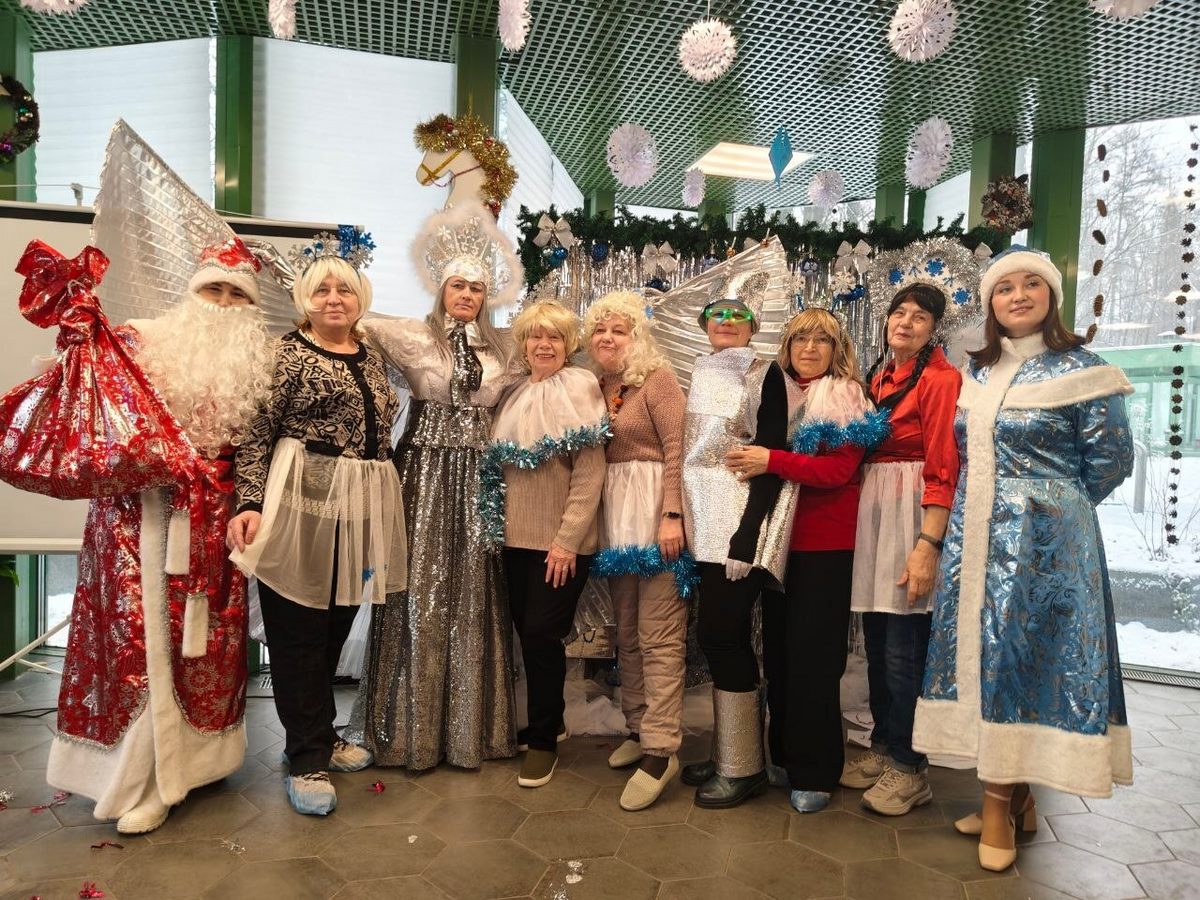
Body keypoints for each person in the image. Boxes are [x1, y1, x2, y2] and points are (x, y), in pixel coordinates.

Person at [39, 239, 274, 834]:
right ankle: (135, 775)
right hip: (132, 518)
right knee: (136, 642)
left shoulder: (261, 360)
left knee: (202, 642)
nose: (224, 303)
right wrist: (76, 330)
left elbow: (259, 444)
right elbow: (84, 394)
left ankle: (193, 764)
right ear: (192, 292)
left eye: (238, 294)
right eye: (213, 288)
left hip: (213, 518)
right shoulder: (140, 338)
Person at [913, 247, 1135, 871]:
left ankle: (996, 809)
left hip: (1049, 545)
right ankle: (1017, 799)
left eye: (1031, 283)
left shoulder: (1084, 370)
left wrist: (1051, 510)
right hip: (975, 539)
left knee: (1028, 661)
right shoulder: (977, 373)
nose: (1018, 295)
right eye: (1004, 287)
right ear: (991, 304)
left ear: (1051, 296)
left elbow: (1111, 461)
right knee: (987, 659)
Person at [227, 253, 405, 817]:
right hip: (299, 503)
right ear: (305, 298)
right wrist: (250, 503)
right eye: (323, 290)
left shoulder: (371, 353)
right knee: (297, 630)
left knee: (338, 621)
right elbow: (256, 433)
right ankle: (306, 758)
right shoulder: (286, 353)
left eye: (344, 290)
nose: (334, 299)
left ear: (360, 298)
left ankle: (320, 734)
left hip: (358, 505)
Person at [348, 202, 523, 771]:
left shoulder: (505, 349)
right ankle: (406, 732)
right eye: (458, 285)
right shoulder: (410, 336)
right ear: (442, 289)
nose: (467, 294)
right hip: (421, 473)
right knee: (418, 588)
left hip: (481, 478)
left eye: (477, 287)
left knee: (476, 589)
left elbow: (557, 351)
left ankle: (472, 730)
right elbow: (348, 322)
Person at [725, 308, 885, 814]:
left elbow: (838, 471)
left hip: (825, 546)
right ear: (787, 347)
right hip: (778, 545)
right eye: (800, 340)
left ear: (837, 350)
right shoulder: (774, 390)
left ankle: (816, 769)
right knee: (779, 656)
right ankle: (784, 756)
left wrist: (771, 460)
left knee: (814, 661)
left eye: (821, 341)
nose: (810, 349)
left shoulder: (846, 395)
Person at [843, 276, 962, 819]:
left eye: (919, 316)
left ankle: (911, 768)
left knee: (903, 647)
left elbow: (944, 464)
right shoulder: (878, 375)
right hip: (874, 508)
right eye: (899, 312)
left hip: (912, 509)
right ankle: (885, 745)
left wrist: (927, 544)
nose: (906, 322)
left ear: (934, 328)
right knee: (876, 639)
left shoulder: (940, 379)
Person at [679, 271, 798, 809]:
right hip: (702, 526)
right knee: (716, 638)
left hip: (738, 525)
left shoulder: (764, 373)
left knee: (723, 635)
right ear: (705, 324)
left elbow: (770, 456)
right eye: (718, 314)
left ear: (754, 326)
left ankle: (743, 766)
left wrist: (747, 536)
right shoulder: (698, 369)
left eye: (738, 314)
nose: (727, 321)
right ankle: (730, 749)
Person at [482, 301, 608, 788]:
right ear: (523, 342)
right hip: (514, 539)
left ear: (568, 344)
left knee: (541, 634)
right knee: (527, 634)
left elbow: (589, 474)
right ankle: (549, 721)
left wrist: (566, 541)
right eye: (535, 336)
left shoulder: (580, 387)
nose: (544, 345)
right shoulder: (513, 393)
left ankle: (542, 742)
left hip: (560, 544)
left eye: (554, 337)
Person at [583, 291, 691, 811]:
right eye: (600, 329)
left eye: (619, 330)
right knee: (625, 632)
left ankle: (661, 749)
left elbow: (677, 449)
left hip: (654, 513)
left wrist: (672, 514)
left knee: (659, 634)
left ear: (637, 336)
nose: (608, 338)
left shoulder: (658, 380)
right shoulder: (597, 387)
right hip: (616, 518)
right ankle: (638, 726)